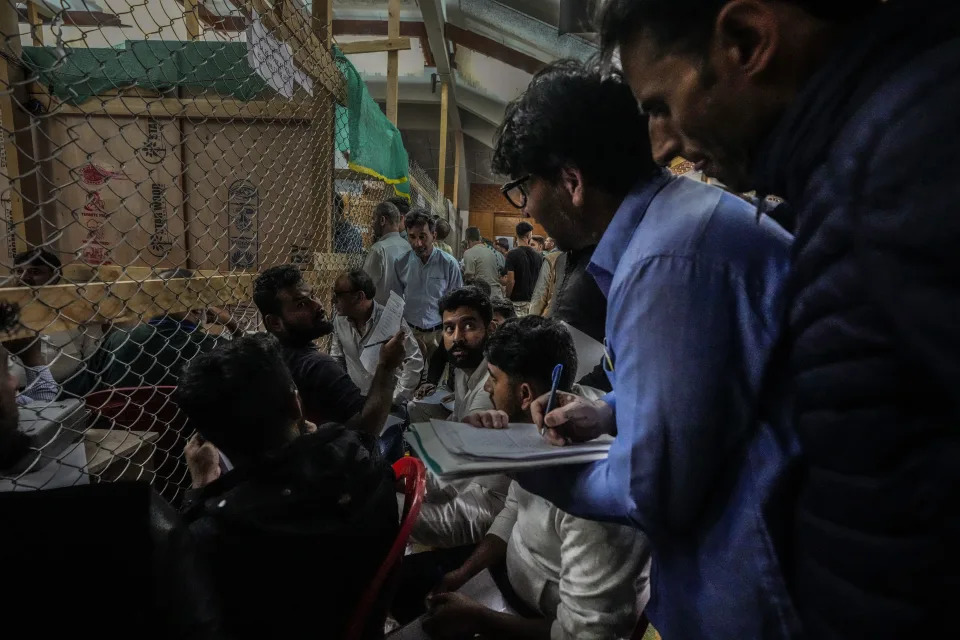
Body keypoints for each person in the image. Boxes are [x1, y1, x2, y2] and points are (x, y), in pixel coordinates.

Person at [601, 0, 959, 636]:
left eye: (660, 105)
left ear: (746, 40)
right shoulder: (880, 146)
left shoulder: (894, 176)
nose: (661, 146)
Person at [493, 60, 794, 639]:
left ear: (571, 181)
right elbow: (713, 390)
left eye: (524, 187)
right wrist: (608, 411)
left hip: (756, 589)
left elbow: (651, 491)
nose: (525, 208)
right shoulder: (677, 227)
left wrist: (525, 469)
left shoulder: (664, 263)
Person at [425, 316, 651, 640]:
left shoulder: (600, 500)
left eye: (492, 379)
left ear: (525, 393)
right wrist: (466, 572)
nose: (486, 389)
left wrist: (480, 619)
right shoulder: (542, 428)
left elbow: (582, 636)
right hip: (505, 592)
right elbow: (514, 510)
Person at [176, 334, 398, 640]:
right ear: (296, 403)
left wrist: (200, 489)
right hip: (363, 620)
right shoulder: (358, 456)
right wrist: (315, 444)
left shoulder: (213, 534)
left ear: (211, 441)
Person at [407, 287, 509, 547]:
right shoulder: (465, 370)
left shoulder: (493, 385)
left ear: (491, 329)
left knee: (393, 513)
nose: (457, 337)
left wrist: (418, 483)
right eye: (449, 329)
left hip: (492, 503)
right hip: (465, 483)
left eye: (468, 326)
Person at [253, 264, 405, 438]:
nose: (318, 305)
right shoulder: (318, 366)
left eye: (313, 295)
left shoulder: (268, 353)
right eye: (301, 304)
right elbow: (366, 431)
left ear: (360, 296)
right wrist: (387, 367)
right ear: (274, 323)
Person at [64, 268, 233, 397]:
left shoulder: (119, 339)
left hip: (125, 432)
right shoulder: (214, 346)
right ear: (197, 308)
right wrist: (233, 325)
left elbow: (78, 389)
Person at [8, 249, 102, 387]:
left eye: (35, 272)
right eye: (18, 271)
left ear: (55, 275)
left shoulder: (79, 307)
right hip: (14, 390)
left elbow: (92, 352)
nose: (24, 277)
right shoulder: (6, 308)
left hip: (70, 384)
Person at [330, 269, 423, 403]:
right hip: (354, 396)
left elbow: (414, 360)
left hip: (387, 399)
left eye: (338, 294)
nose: (333, 300)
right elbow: (337, 358)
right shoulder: (339, 320)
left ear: (359, 296)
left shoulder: (391, 320)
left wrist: (396, 398)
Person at [394, 210, 463, 362]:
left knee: (435, 379)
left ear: (434, 236)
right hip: (410, 332)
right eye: (412, 237)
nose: (417, 243)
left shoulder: (449, 264)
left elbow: (456, 304)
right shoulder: (401, 263)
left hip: (438, 334)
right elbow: (396, 300)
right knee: (410, 379)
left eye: (422, 237)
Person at [362, 201, 411, 305]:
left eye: (373, 219)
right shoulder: (408, 246)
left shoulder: (379, 249)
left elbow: (366, 287)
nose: (371, 224)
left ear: (382, 220)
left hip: (382, 314)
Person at [501, 221, 542, 316]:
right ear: (529, 236)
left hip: (517, 302)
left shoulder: (512, 254)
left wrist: (507, 298)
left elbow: (511, 281)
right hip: (534, 301)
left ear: (517, 234)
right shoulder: (538, 256)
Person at [462, 227, 504, 299]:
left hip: (482, 295)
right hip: (497, 294)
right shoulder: (492, 252)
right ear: (480, 238)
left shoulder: (469, 253)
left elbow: (469, 278)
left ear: (467, 240)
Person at [527, 248, 562, 317]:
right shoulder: (588, 259)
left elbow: (540, 295)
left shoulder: (552, 258)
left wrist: (532, 319)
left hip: (552, 317)